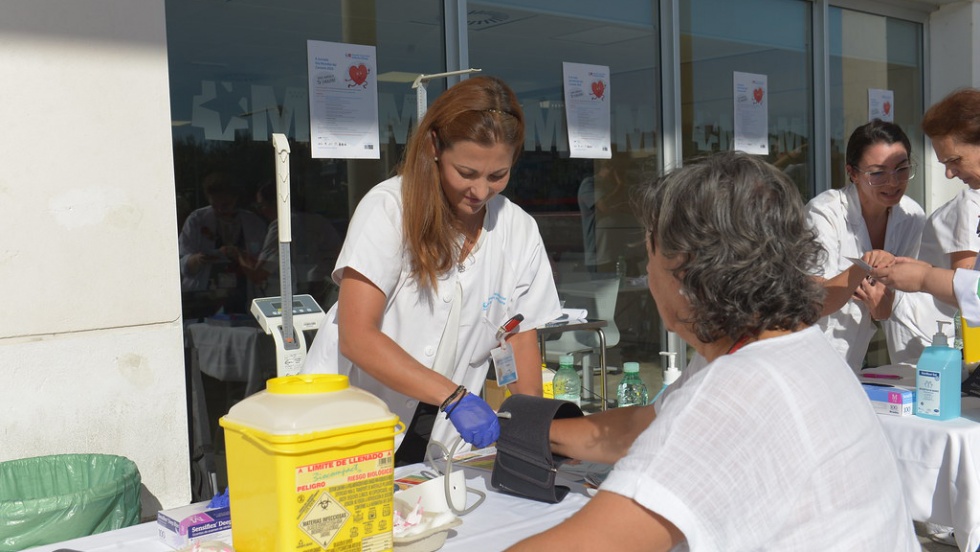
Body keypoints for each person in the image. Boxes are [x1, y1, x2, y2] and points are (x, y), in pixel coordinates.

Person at [504, 151, 917, 551]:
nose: (646, 272)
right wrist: (519, 427)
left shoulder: (739, 388)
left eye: (649, 252)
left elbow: (591, 544)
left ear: (682, 267)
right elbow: (643, 428)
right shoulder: (784, 343)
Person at [302, 76, 562, 465]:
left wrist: (532, 433)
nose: (480, 191)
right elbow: (357, 336)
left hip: (439, 438)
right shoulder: (390, 208)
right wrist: (453, 397)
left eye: (497, 176)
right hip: (353, 426)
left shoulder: (518, 229)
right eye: (467, 172)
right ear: (433, 147)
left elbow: (521, 336)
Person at [805, 120, 924, 370]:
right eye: (878, 173)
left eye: (901, 169)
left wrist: (884, 303)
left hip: (855, 357)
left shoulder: (912, 216)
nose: (892, 182)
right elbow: (816, 302)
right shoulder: (824, 213)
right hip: (810, 352)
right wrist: (865, 266)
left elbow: (890, 302)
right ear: (853, 173)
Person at [178, 171, 267, 315]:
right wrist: (197, 259)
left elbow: (265, 261)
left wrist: (240, 255)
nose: (220, 209)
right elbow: (182, 261)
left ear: (236, 198)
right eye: (215, 205)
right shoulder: (197, 220)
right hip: (206, 298)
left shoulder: (253, 222)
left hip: (243, 295)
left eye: (225, 205)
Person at [253, 181, 342, 303]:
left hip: (301, 288)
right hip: (328, 284)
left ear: (275, 203)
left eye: (261, 205)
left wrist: (238, 256)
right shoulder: (319, 221)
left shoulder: (282, 225)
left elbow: (260, 273)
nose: (261, 211)